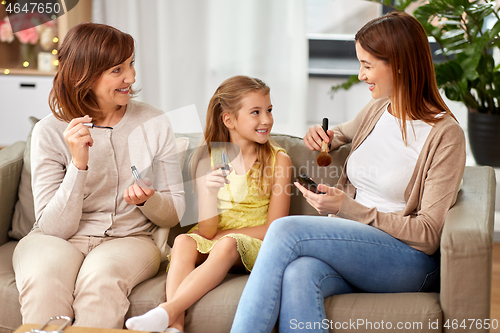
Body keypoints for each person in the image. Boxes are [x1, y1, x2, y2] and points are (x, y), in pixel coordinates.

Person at [230, 11, 466, 333]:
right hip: (355, 247)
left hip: (408, 259)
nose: (360, 75)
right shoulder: (377, 109)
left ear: (398, 63)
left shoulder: (444, 134)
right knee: (299, 273)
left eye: (367, 65)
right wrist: (325, 137)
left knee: (284, 231)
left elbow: (428, 234)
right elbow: (342, 132)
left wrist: (346, 207)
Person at [12, 23, 185, 329]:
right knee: (44, 280)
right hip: (55, 239)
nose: (130, 78)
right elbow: (53, 227)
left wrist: (149, 199)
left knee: (101, 282)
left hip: (129, 239)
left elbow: (172, 215)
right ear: (85, 74)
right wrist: (78, 166)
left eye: (131, 65)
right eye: (117, 70)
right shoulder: (49, 132)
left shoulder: (154, 122)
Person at [125, 75, 293, 332]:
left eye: (269, 110)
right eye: (256, 112)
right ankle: (176, 327)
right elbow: (206, 232)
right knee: (182, 241)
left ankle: (166, 311)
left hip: (257, 245)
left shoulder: (278, 160)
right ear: (229, 120)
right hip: (217, 240)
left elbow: (275, 227)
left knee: (226, 245)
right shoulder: (207, 159)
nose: (267, 120)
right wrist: (207, 191)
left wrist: (225, 237)